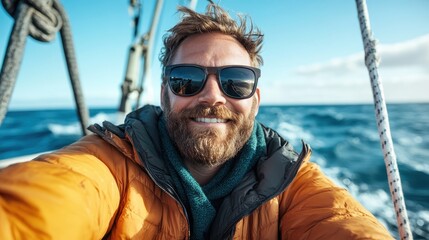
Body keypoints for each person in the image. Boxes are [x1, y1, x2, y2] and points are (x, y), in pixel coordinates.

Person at [0, 3, 393, 240]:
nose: (212, 95)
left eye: (235, 82)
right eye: (186, 79)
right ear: (164, 94)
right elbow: (40, 205)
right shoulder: (109, 163)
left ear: (255, 100)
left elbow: (340, 223)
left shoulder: (291, 182)